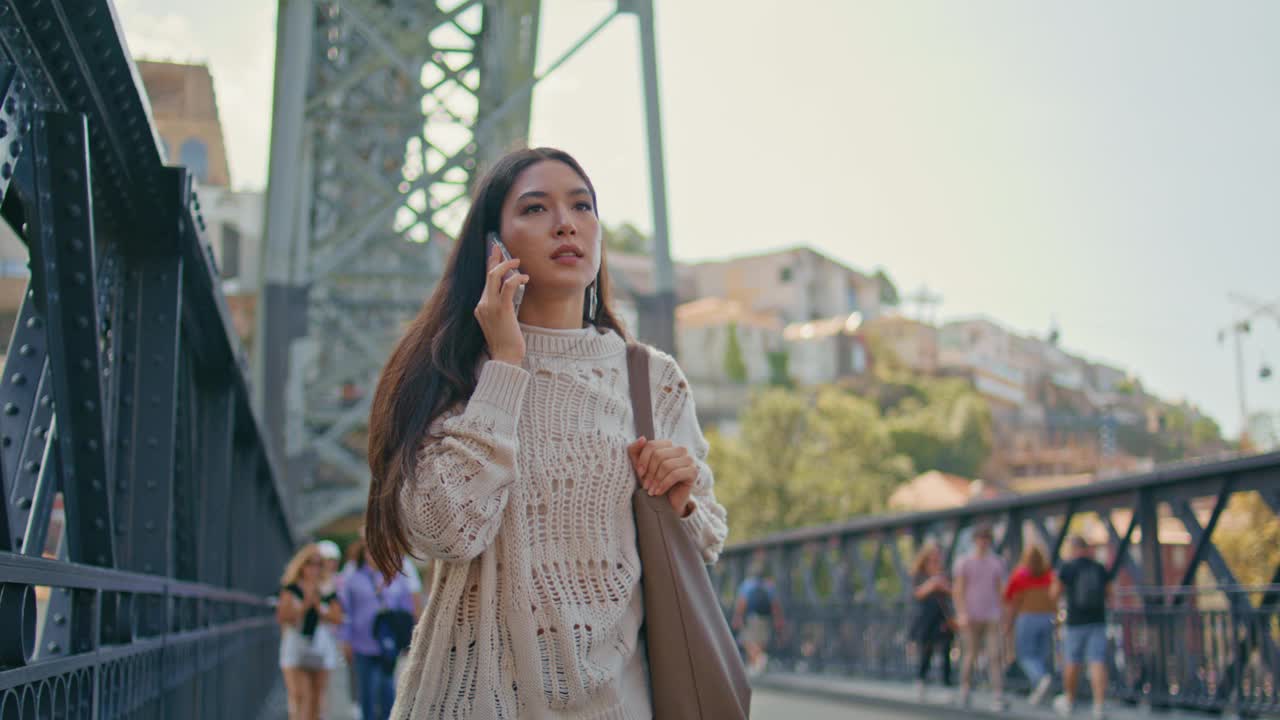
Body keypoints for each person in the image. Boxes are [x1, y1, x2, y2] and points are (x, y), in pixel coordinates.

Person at [361, 147, 729, 718]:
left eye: (582, 206)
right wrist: (506, 365)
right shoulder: (454, 372)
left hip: (619, 704)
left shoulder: (651, 379)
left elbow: (707, 536)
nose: (566, 223)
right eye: (535, 209)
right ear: (493, 248)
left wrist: (682, 501)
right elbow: (445, 530)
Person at [339, 538, 416, 720]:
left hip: (387, 644)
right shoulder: (353, 578)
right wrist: (345, 640)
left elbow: (406, 609)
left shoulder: (397, 577)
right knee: (367, 692)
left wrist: (406, 638)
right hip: (362, 643)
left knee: (387, 689)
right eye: (370, 551)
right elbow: (346, 612)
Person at [277, 543, 344, 720]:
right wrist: (306, 604)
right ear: (302, 565)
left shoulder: (327, 589)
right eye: (310, 564)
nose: (314, 569)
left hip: (321, 648)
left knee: (317, 699)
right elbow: (283, 616)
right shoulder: (292, 588)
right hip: (295, 646)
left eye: (318, 564)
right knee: (300, 696)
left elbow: (337, 617)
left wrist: (320, 608)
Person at [1052, 536, 1111, 719]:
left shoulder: (1068, 567)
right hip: (1098, 620)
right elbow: (1110, 593)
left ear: (1072, 548)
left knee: (1072, 661)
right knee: (1097, 661)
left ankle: (1069, 700)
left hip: (1075, 622)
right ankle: (1099, 706)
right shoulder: (1099, 567)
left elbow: (1054, 592)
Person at [953, 524, 1008, 710]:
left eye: (986, 539)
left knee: (995, 655)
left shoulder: (996, 562)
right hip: (971, 614)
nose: (983, 543)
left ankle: (998, 694)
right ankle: (965, 688)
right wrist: (961, 613)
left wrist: (1004, 614)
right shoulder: (964, 562)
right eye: (981, 539)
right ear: (975, 541)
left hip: (991, 614)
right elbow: (959, 589)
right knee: (970, 654)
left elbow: (1000, 590)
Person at [1003, 544, 1057, 705]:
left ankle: (1040, 679)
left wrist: (1008, 623)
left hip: (1027, 617)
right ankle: (1039, 691)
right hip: (1047, 617)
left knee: (1025, 655)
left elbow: (1011, 600)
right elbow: (1054, 596)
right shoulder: (1048, 574)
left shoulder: (1020, 575)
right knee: (1040, 654)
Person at [909, 542, 954, 700]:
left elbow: (953, 591)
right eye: (933, 555)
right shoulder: (919, 574)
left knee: (946, 649)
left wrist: (944, 585)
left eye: (938, 555)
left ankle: (947, 684)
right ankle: (921, 680)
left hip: (942, 617)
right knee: (926, 649)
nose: (936, 558)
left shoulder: (945, 573)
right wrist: (932, 584)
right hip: (925, 617)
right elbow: (917, 593)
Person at [731, 561, 785, 675]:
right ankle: (757, 663)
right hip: (765, 617)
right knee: (761, 640)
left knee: (746, 640)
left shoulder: (747, 584)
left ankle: (759, 659)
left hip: (752, 616)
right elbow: (775, 604)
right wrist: (777, 619)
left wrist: (738, 617)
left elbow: (742, 602)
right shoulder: (769, 585)